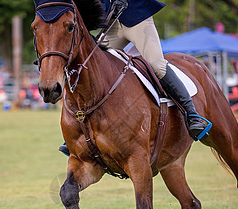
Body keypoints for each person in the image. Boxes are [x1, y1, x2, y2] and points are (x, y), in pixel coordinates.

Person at [59, 0, 209, 155]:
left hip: (137, 18)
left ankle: (192, 115)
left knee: (157, 65)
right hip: (112, 23)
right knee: (90, 65)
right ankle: (79, 130)